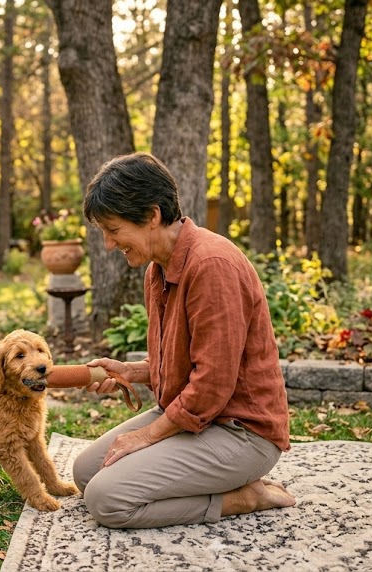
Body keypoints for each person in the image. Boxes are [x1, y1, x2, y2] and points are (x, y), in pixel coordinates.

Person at [74, 152, 295, 529]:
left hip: (241, 432)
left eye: (114, 230)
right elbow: (184, 362)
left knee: (106, 500)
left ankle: (244, 496)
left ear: (152, 215)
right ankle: (210, 483)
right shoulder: (156, 271)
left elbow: (211, 384)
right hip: (194, 418)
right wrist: (132, 370)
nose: (109, 244)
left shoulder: (212, 265)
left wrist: (145, 437)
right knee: (85, 472)